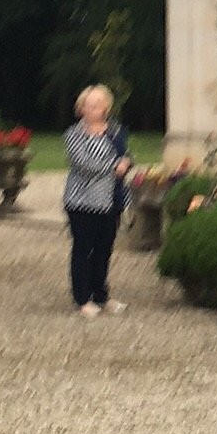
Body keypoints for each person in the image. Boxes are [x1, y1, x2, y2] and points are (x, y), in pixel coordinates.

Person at [64, 84, 131, 317]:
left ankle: (101, 294)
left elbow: (127, 155)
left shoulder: (116, 130)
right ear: (81, 108)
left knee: (104, 249)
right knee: (83, 249)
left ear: (106, 107)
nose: (93, 109)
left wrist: (127, 163)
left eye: (98, 104)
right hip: (82, 201)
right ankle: (82, 298)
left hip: (112, 200)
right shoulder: (74, 134)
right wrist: (115, 166)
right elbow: (83, 164)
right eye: (88, 105)